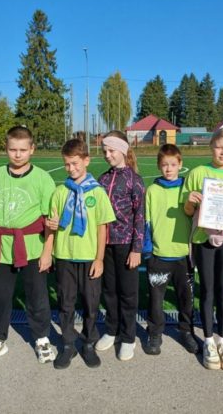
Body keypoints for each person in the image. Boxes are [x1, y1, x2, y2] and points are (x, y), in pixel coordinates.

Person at [0, 125, 57, 367]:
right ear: (6, 149)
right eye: (13, 149)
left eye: (23, 149)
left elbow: (50, 220)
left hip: (32, 247)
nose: (18, 154)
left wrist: (47, 252)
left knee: (37, 296)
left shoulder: (42, 178)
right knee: (0, 296)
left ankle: (41, 338)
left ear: (32, 149)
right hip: (1, 247)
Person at [182, 128, 223, 371]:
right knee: (207, 290)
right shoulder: (198, 173)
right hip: (202, 238)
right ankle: (209, 340)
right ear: (211, 146)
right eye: (219, 147)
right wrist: (191, 201)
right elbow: (187, 212)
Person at [48, 139, 116, 369]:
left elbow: (102, 228)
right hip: (65, 256)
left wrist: (99, 259)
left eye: (75, 163)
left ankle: (88, 342)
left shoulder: (97, 193)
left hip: (89, 258)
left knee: (91, 302)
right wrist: (51, 225)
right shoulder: (60, 192)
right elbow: (52, 224)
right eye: (67, 164)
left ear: (86, 161)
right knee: (65, 303)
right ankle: (68, 344)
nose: (71, 168)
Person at [95, 130, 145, 361]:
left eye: (111, 150)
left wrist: (136, 249)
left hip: (126, 245)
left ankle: (128, 337)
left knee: (128, 294)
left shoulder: (135, 180)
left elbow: (140, 217)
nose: (107, 155)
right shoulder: (102, 179)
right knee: (109, 291)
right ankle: (111, 330)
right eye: (104, 151)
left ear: (123, 150)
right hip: (105, 244)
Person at [143, 144, 198, 356]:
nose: (168, 169)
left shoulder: (187, 190)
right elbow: (147, 221)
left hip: (183, 255)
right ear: (159, 165)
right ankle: (154, 332)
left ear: (180, 164)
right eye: (164, 165)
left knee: (186, 298)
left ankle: (186, 331)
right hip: (159, 255)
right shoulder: (152, 190)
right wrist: (148, 249)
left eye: (173, 164)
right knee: (156, 299)